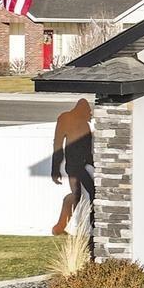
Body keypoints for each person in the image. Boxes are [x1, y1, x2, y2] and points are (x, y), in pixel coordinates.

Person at [50, 97, 95, 236]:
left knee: (88, 194)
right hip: (74, 166)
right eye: (89, 111)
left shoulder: (85, 125)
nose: (91, 114)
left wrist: (93, 164)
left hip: (81, 166)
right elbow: (58, 145)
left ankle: (63, 227)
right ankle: (62, 227)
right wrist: (55, 169)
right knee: (78, 195)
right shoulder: (65, 119)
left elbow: (87, 151)